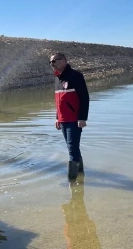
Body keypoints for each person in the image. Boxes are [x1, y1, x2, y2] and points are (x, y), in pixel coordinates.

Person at [50, 52, 90, 180]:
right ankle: (81, 175)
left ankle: (72, 183)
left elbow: (84, 98)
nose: (52, 64)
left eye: (54, 61)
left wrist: (82, 118)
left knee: (72, 148)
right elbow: (59, 101)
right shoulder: (57, 78)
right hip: (63, 120)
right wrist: (57, 117)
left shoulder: (76, 76)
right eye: (50, 62)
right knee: (72, 147)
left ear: (63, 61)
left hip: (74, 119)